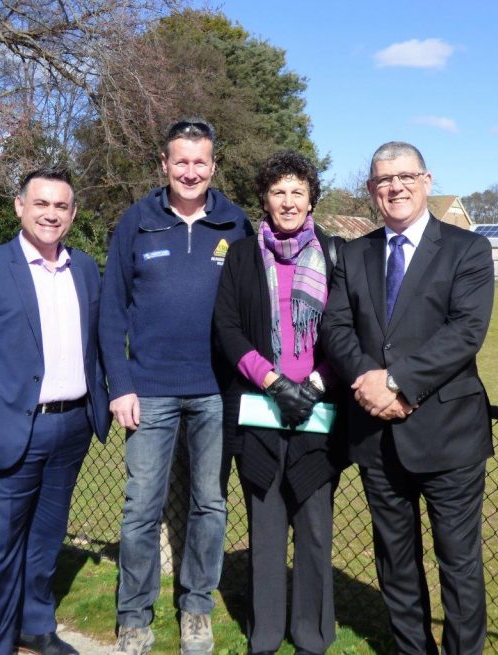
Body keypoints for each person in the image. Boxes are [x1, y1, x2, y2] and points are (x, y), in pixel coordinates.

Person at [321, 141, 494, 655]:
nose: (393, 187)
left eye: (404, 177)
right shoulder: (354, 253)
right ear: (372, 190)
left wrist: (395, 383)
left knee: (458, 563)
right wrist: (371, 385)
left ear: (426, 181)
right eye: (382, 180)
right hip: (376, 436)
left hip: (448, 437)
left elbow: (465, 332)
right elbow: (336, 326)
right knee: (394, 561)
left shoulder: (468, 249)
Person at [0, 168, 111, 655]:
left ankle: (35, 628)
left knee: (44, 542)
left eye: (61, 206)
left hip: (71, 427)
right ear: (19, 206)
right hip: (5, 431)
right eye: (42, 203)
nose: (51, 214)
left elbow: (97, 343)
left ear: (73, 214)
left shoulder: (85, 269)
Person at [100, 118, 253, 655]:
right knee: (141, 506)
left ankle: (196, 609)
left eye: (200, 161)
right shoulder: (136, 223)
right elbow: (110, 309)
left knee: (210, 504)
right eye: (180, 161)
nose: (190, 171)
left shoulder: (237, 224)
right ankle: (134, 616)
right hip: (149, 390)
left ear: (214, 166)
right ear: (164, 165)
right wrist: (120, 384)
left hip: (217, 391)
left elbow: (255, 306)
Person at [213, 150, 345, 655]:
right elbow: (226, 326)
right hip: (260, 408)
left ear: (311, 197)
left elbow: (346, 331)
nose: (288, 201)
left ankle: (311, 634)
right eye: (278, 192)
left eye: (297, 191)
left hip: (317, 408)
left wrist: (313, 385)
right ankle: (265, 632)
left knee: (314, 527)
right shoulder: (243, 256)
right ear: (264, 199)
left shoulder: (335, 255)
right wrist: (271, 381)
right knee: (265, 529)